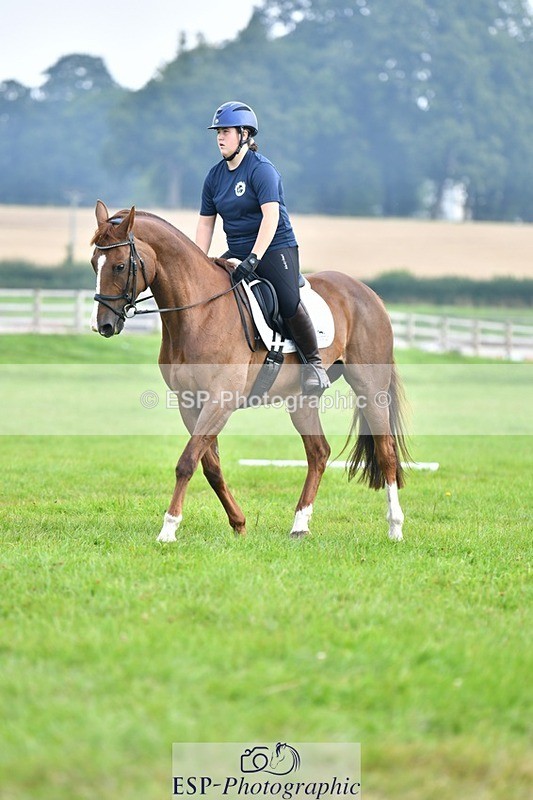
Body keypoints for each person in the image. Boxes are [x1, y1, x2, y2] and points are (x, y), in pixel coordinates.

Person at [195, 100, 330, 395]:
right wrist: (198, 261)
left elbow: (271, 216)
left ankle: (314, 365)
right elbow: (206, 223)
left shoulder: (262, 170)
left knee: (286, 299)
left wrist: (255, 257)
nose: (219, 137)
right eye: (217, 132)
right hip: (238, 252)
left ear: (244, 134)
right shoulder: (214, 177)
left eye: (226, 131)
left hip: (275, 249)